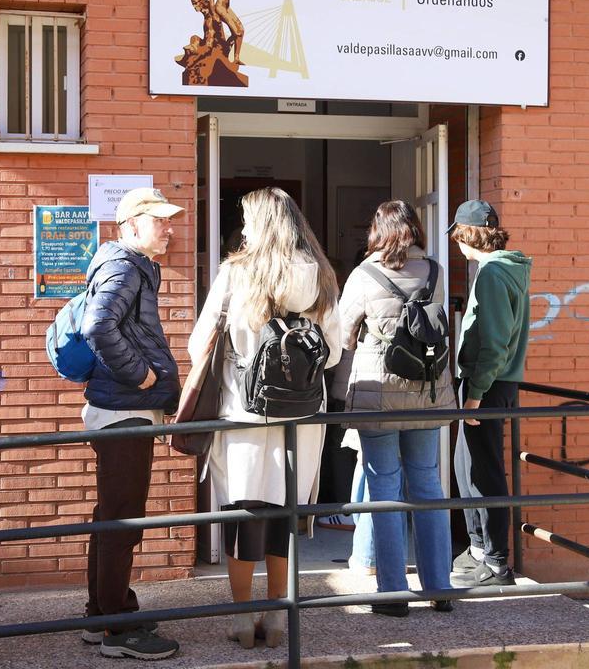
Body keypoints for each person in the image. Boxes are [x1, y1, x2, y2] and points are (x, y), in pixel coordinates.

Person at [188, 187, 340, 649]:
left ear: (261, 223)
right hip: (303, 416)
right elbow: (332, 354)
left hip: (243, 415)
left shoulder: (237, 273)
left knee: (242, 513)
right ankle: (277, 617)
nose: (245, 227)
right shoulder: (322, 276)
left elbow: (201, 344)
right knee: (282, 514)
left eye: (248, 219)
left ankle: (241, 617)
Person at [335, 201, 456, 615]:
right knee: (428, 487)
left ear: (378, 231)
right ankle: (441, 587)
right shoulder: (436, 272)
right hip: (429, 395)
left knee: (384, 490)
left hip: (378, 399)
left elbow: (343, 335)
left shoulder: (363, 274)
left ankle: (393, 595)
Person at [79, 187, 184, 660]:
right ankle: (117, 631)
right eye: (159, 220)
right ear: (131, 225)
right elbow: (98, 325)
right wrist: (141, 374)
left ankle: (101, 614)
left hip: (122, 407)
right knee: (122, 521)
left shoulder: (131, 266)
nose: (169, 228)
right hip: (124, 409)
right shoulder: (124, 267)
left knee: (111, 518)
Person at [447, 199, 532, 588]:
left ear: (468, 235)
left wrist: (475, 395)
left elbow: (495, 342)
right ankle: (479, 549)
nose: (456, 245)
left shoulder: (494, 274)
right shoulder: (499, 269)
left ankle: (497, 562)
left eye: (457, 236)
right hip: (489, 383)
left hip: (489, 385)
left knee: (485, 471)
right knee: (467, 466)